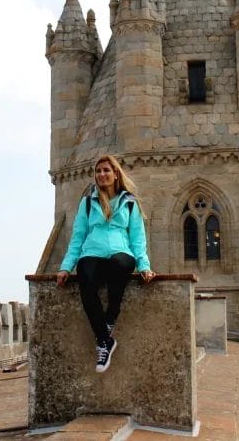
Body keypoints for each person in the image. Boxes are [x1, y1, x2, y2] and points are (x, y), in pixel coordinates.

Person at [56, 154, 154, 373]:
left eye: (106, 170)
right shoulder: (88, 203)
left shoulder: (129, 202)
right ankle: (105, 340)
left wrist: (144, 266)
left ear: (115, 173)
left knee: (119, 264)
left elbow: (138, 238)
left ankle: (109, 320)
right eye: (98, 171)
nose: (101, 174)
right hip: (92, 253)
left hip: (121, 253)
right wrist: (65, 266)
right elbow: (78, 236)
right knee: (86, 274)